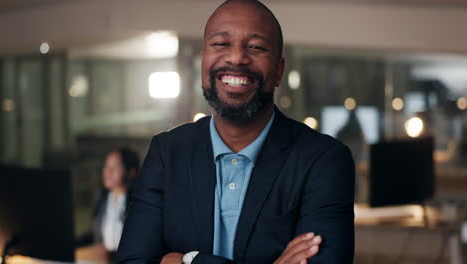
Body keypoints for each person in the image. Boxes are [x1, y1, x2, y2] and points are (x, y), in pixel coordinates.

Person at [116, 0, 355, 263]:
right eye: (220, 44)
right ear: (203, 61)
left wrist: (188, 260)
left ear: (278, 71)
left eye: (256, 47)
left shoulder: (324, 159)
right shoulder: (167, 152)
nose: (236, 57)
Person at [77, 147, 140, 262]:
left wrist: (109, 255)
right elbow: (93, 234)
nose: (107, 172)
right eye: (106, 166)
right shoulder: (102, 197)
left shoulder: (138, 203)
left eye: (114, 167)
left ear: (131, 172)